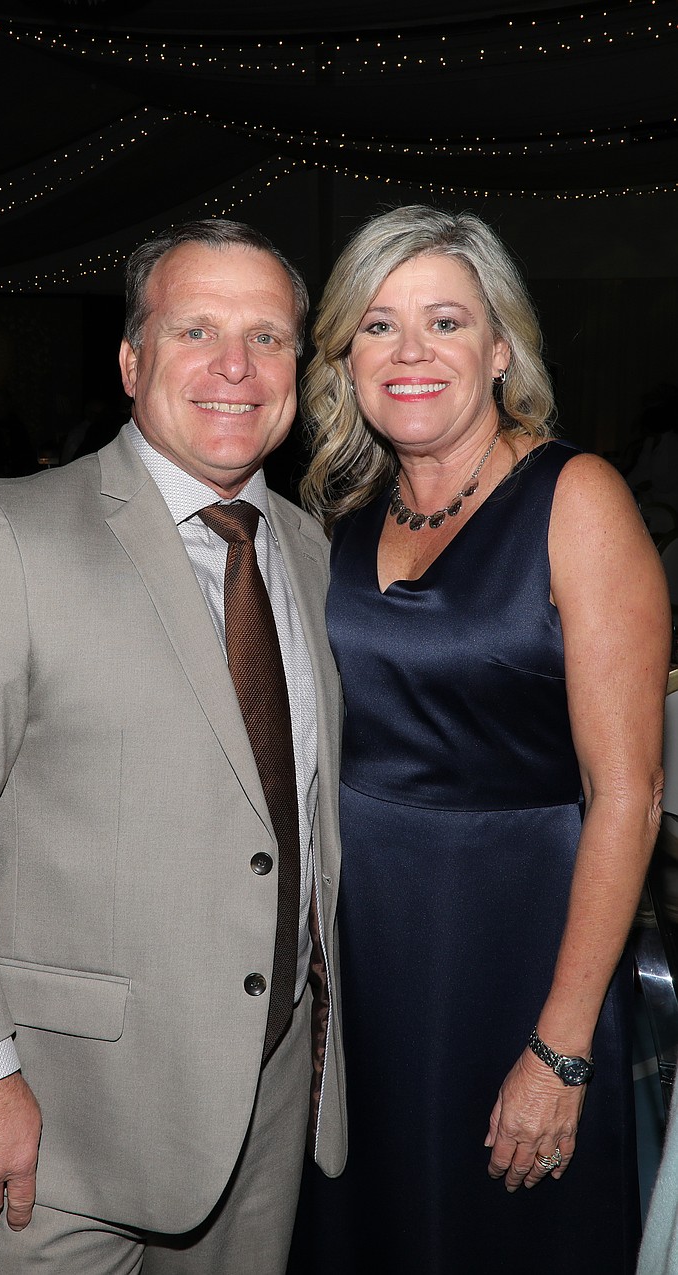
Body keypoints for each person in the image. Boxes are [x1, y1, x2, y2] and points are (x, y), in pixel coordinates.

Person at [0, 218, 346, 1275]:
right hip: (53, 1118)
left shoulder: (307, 550)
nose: (234, 367)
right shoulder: (4, 533)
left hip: (264, 1101)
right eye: (195, 330)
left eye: (266, 337)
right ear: (130, 360)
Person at [289, 205, 670, 1274]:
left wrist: (560, 1045)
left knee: (498, 1230)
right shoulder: (343, 512)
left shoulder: (575, 498)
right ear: (346, 358)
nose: (409, 351)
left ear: (500, 349)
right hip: (361, 953)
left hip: (516, 948)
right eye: (377, 325)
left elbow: (628, 795)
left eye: (445, 321)